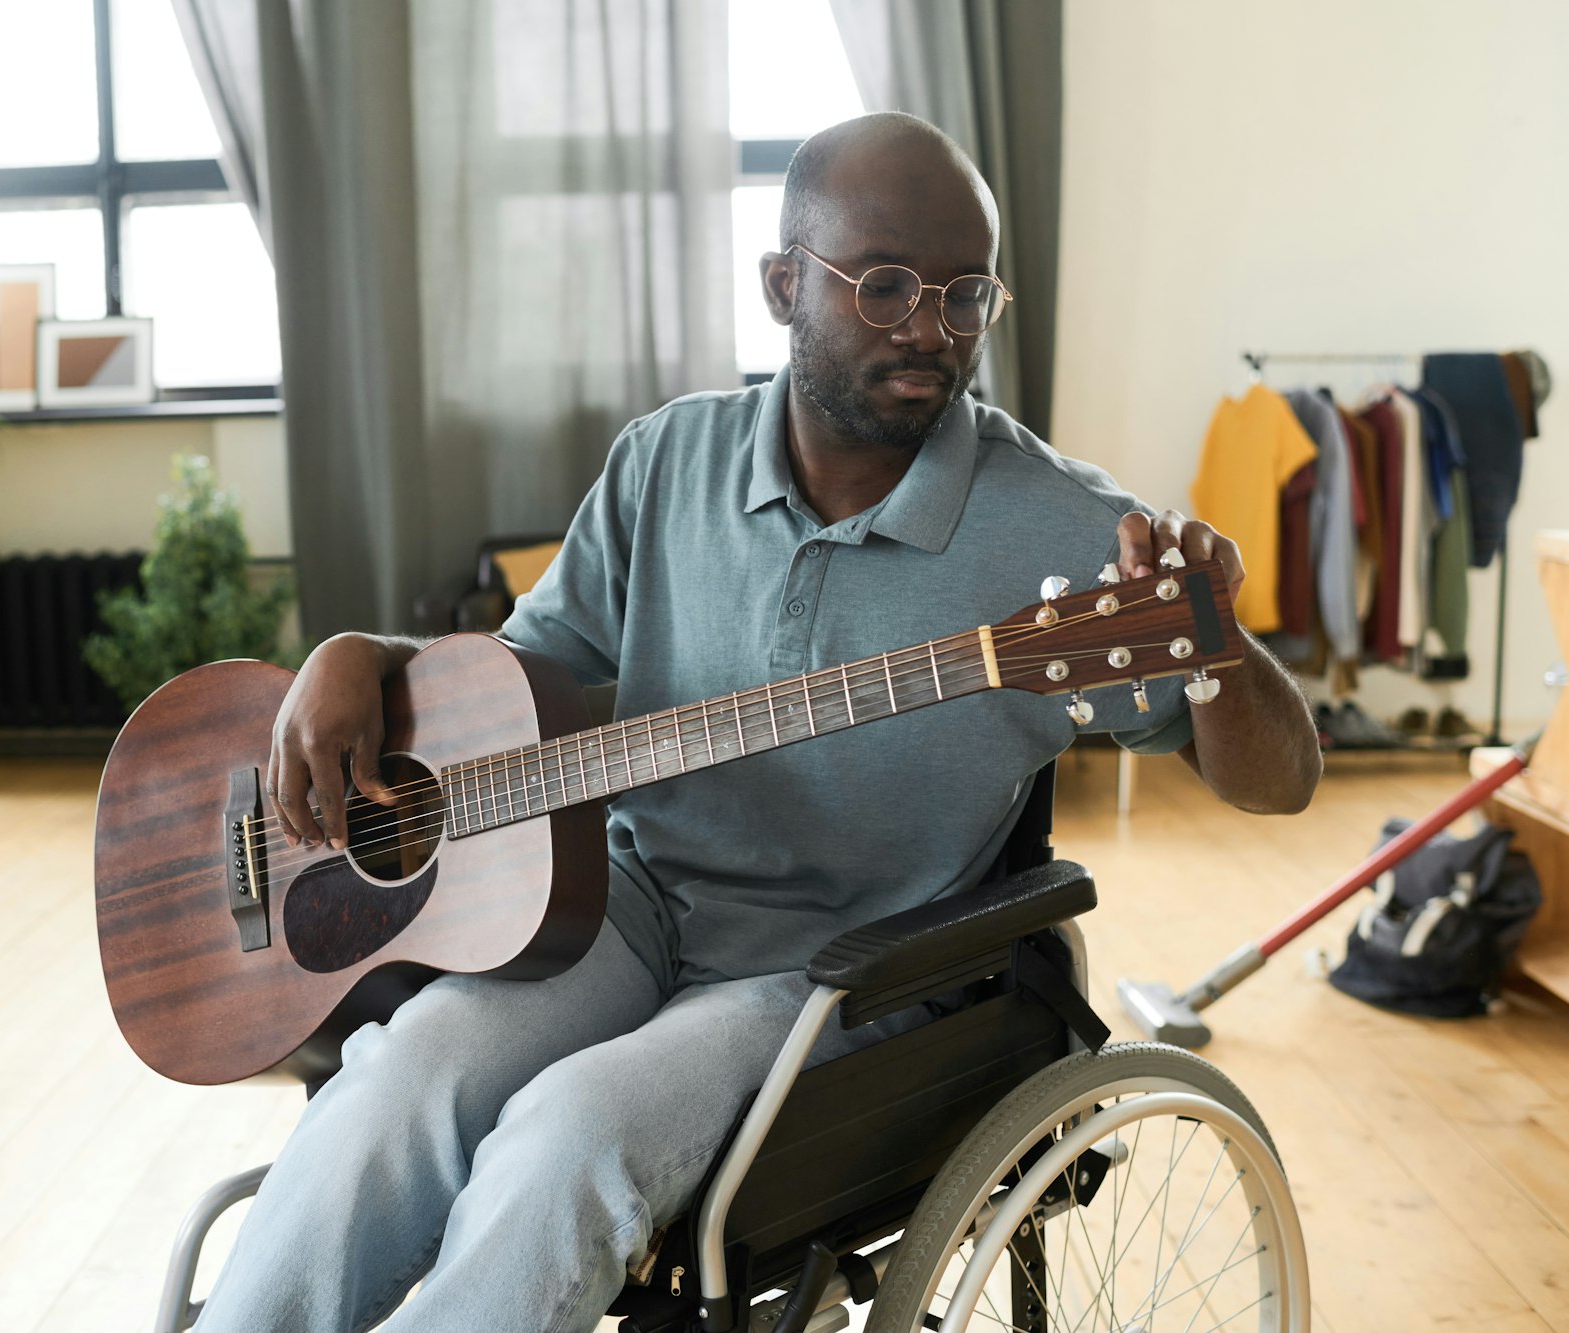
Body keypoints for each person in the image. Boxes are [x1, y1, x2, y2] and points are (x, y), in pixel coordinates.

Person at [195, 111, 1321, 1333]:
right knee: (394, 1082)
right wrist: (358, 657)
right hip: (619, 914)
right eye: (882, 284)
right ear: (783, 284)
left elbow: (1281, 781)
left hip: (836, 971)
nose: (926, 331)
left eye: (963, 296)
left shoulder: (1058, 531)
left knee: (569, 1137)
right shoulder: (664, 462)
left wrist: (1218, 647)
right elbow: (520, 680)